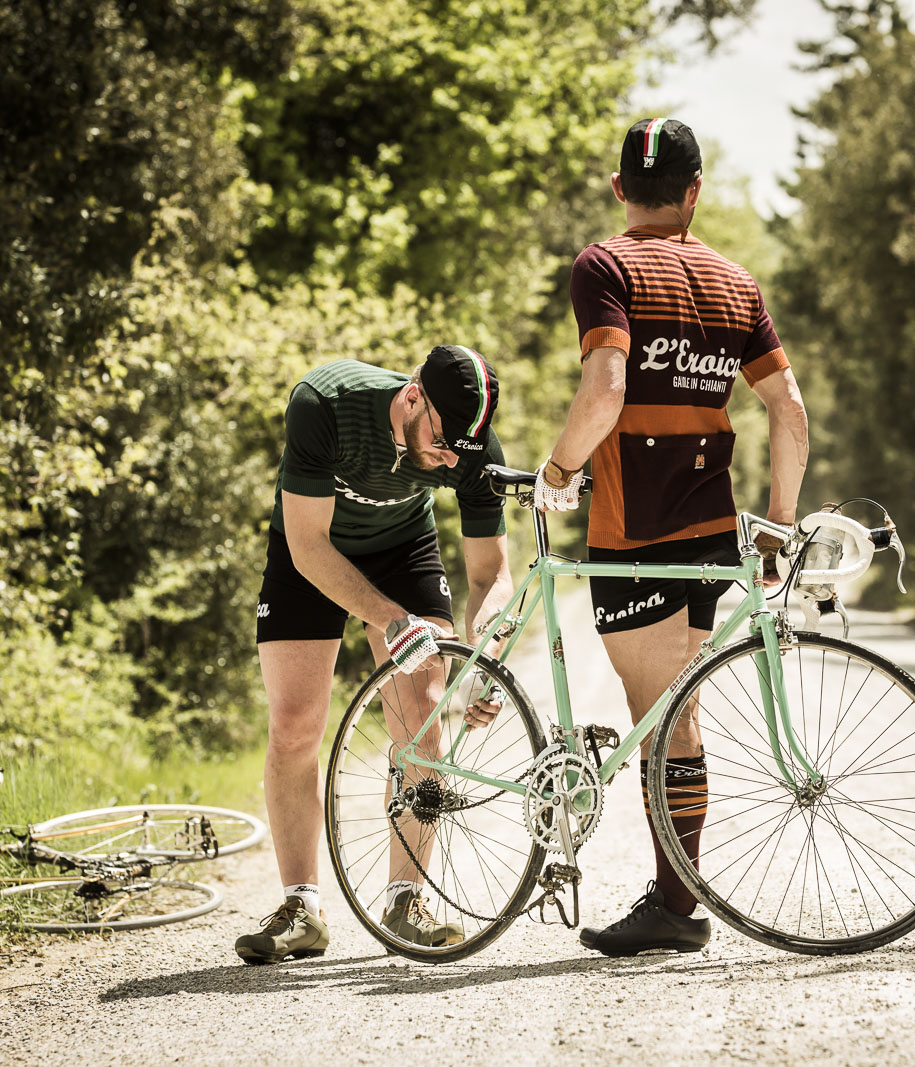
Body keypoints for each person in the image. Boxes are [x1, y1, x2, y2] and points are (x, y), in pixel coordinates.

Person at [532, 117, 810, 957]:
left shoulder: (604, 265)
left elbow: (605, 386)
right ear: (694, 193)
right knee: (676, 715)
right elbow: (790, 415)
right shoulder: (736, 282)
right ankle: (674, 900)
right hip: (710, 530)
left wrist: (555, 472)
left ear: (620, 189)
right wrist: (778, 530)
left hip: (633, 527)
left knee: (665, 724)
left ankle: (676, 907)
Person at [235, 345, 514, 965]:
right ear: (413, 396)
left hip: (402, 550)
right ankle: (300, 909)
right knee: (295, 726)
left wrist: (480, 661)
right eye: (439, 443)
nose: (447, 460)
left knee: (424, 721)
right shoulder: (325, 405)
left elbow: (491, 574)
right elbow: (307, 546)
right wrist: (391, 621)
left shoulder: (471, 451)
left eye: (459, 453)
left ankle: (404, 898)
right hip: (310, 551)